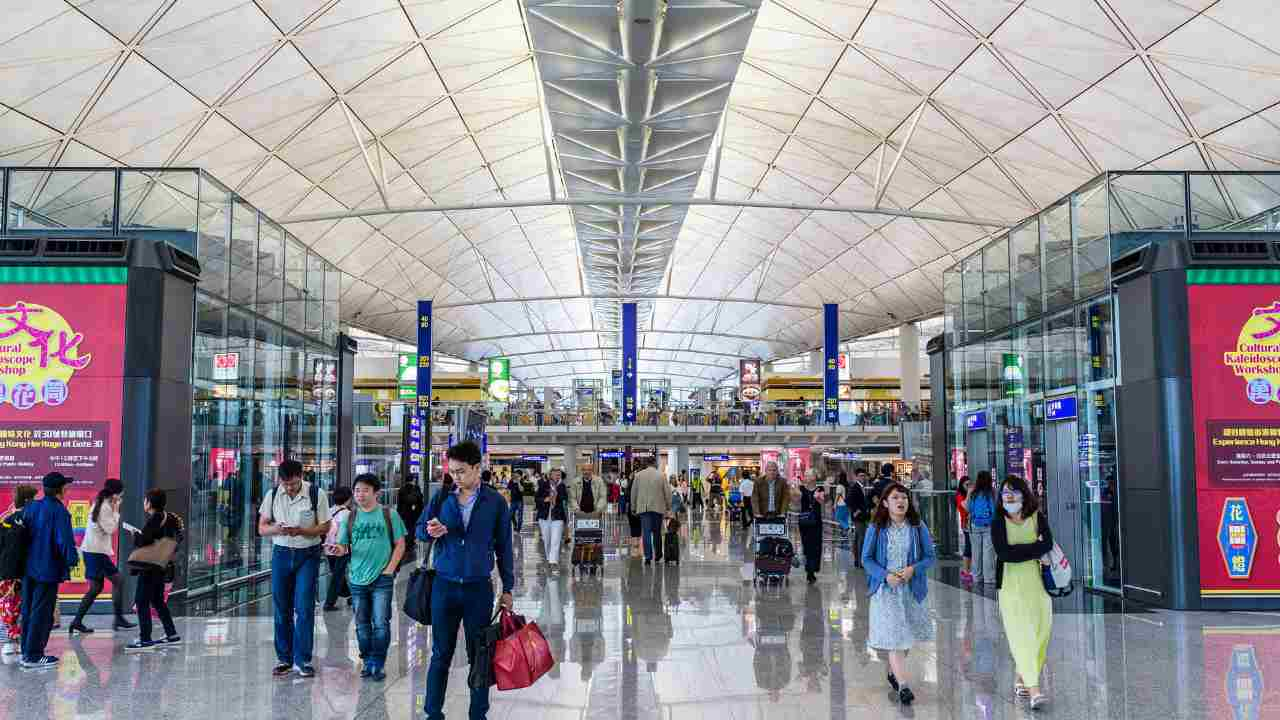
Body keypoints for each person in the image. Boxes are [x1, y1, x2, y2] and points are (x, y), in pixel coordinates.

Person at [419, 441, 515, 720]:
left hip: (478, 589)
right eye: (452, 472)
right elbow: (420, 532)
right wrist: (431, 531)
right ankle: (432, 712)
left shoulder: (495, 502)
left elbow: (504, 547)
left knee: (479, 655)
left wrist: (508, 588)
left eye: (461, 472)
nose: (455, 477)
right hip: (444, 586)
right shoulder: (442, 498)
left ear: (477, 468)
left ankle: (478, 714)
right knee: (440, 654)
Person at [861, 482, 936, 706]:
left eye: (904, 497)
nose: (901, 501)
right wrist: (884, 576)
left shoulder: (917, 526)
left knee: (906, 638)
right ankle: (904, 686)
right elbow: (866, 558)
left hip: (911, 590)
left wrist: (914, 569)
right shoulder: (876, 528)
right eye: (895, 498)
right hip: (886, 591)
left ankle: (894, 672)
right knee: (895, 638)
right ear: (885, 503)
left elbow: (930, 557)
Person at [258, 459, 331, 678]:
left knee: (304, 607)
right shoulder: (272, 494)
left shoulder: (317, 494)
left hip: (307, 554)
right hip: (281, 554)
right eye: (286, 484)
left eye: (294, 483)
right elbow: (262, 528)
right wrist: (276, 528)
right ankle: (284, 659)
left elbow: (326, 526)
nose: (290, 488)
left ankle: (303, 660)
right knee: (282, 608)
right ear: (280, 480)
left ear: (302, 476)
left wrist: (302, 531)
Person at [332, 474, 406, 682]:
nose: (360, 494)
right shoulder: (350, 517)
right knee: (362, 623)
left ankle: (378, 662)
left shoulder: (389, 515)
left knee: (381, 622)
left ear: (376, 493)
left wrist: (390, 569)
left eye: (365, 490)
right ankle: (367, 659)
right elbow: (342, 546)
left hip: (382, 578)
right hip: (356, 578)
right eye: (357, 491)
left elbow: (400, 544)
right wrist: (336, 550)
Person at [991, 475, 1054, 710]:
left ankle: (1020, 678)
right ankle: (1034, 689)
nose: (1009, 495)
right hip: (1010, 586)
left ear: (1023, 493)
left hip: (1038, 584)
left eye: (1014, 491)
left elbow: (1047, 543)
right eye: (1005, 491)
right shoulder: (998, 522)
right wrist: (1033, 548)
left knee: (1040, 634)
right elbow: (1004, 554)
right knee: (1022, 635)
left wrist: (1022, 550)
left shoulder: (1037, 517)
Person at [19, 473, 79, 669]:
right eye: (65, 487)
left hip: (28, 568)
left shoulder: (31, 507)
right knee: (42, 611)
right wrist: (72, 560)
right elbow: (64, 540)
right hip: (47, 568)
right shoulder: (58, 511)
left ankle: (26, 650)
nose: (67, 490)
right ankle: (34, 655)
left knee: (28, 608)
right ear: (60, 490)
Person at [71, 478, 135, 634]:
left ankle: (77, 621)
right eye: (120, 494)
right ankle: (118, 619)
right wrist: (116, 511)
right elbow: (110, 529)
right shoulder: (105, 507)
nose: (121, 496)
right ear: (115, 494)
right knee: (118, 580)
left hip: (93, 551)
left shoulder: (100, 503)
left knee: (96, 588)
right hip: (96, 553)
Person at [124, 489, 183, 652]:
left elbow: (144, 541)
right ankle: (171, 633)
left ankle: (145, 639)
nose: (144, 503)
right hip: (161, 564)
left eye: (145, 500)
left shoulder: (155, 519)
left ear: (149, 503)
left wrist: (135, 535)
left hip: (150, 566)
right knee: (157, 600)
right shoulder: (169, 517)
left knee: (141, 601)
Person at [0, 485, 37, 656]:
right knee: (24, 606)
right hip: (25, 571)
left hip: (7, 571)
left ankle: (11, 640)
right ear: (29, 500)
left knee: (10, 606)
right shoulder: (33, 519)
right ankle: (19, 641)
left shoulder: (6, 520)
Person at [630, 456, 671, 566]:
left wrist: (633, 507)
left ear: (646, 464)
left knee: (646, 532)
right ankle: (658, 556)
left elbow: (633, 492)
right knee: (657, 532)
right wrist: (668, 506)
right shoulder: (661, 475)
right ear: (655, 463)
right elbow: (667, 492)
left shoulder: (638, 475)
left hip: (643, 508)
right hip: (658, 508)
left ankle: (648, 557)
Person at [322, 486, 353, 611]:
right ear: (348, 499)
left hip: (328, 547)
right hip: (342, 548)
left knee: (336, 572)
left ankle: (348, 594)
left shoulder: (329, 511)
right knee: (337, 575)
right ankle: (329, 603)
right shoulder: (348, 514)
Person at [966, 471, 997, 586]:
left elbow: (969, 508)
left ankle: (977, 577)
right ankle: (989, 578)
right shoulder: (990, 493)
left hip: (974, 525)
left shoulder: (973, 493)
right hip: (988, 526)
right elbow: (993, 510)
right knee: (988, 553)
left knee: (976, 553)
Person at [536, 468, 569, 572]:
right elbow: (536, 498)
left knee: (556, 539)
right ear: (550, 475)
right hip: (544, 516)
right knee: (547, 539)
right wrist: (545, 500)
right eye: (555, 475)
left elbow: (565, 499)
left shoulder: (562, 486)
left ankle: (553, 561)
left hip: (558, 516)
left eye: (559, 475)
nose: (557, 476)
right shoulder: (543, 485)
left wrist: (556, 496)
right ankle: (548, 558)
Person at [797, 469, 826, 584]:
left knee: (816, 545)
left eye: (810, 475)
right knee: (807, 545)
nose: (808, 477)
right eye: (806, 475)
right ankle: (809, 570)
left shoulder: (820, 489)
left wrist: (818, 497)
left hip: (816, 521)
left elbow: (823, 503)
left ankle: (813, 569)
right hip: (804, 521)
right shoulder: (801, 489)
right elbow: (795, 502)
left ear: (815, 477)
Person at [396, 480, 425, 565]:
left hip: (404, 514)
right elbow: (419, 500)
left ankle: (407, 544)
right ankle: (409, 544)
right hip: (413, 514)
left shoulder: (402, 489)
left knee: (407, 528)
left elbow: (400, 503)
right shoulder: (415, 489)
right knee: (411, 529)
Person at [848, 469, 870, 567]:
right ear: (856, 477)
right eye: (861, 476)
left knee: (858, 538)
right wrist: (856, 511)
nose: (863, 477)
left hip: (862, 516)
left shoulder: (862, 487)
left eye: (864, 476)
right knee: (861, 538)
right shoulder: (855, 487)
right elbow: (848, 500)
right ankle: (860, 561)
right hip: (859, 518)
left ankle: (857, 560)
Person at [955, 476, 973, 584]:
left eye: (970, 484)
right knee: (968, 547)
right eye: (966, 485)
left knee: (971, 547)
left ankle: (969, 570)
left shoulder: (970, 494)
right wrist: (970, 493)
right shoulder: (960, 496)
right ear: (961, 485)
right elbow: (966, 507)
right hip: (966, 524)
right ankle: (966, 571)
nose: (968, 487)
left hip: (973, 523)